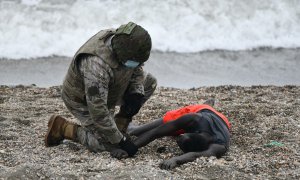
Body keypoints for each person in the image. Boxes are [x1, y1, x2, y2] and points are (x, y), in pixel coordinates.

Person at [44, 22, 157, 157]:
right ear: (121, 54)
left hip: (111, 87)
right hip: (82, 100)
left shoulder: (125, 45)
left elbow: (137, 68)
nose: (136, 64)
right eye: (132, 60)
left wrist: (136, 93)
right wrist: (120, 140)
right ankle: (64, 128)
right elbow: (98, 110)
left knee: (149, 83)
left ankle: (120, 124)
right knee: (105, 145)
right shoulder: (96, 65)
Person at [111, 99, 231, 170]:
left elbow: (197, 155)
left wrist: (177, 160)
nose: (178, 138)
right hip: (202, 110)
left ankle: (134, 129)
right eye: (181, 137)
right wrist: (130, 148)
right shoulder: (194, 119)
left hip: (223, 123)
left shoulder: (219, 145)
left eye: (180, 138)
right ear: (192, 132)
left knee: (173, 128)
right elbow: (157, 131)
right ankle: (134, 129)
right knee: (169, 121)